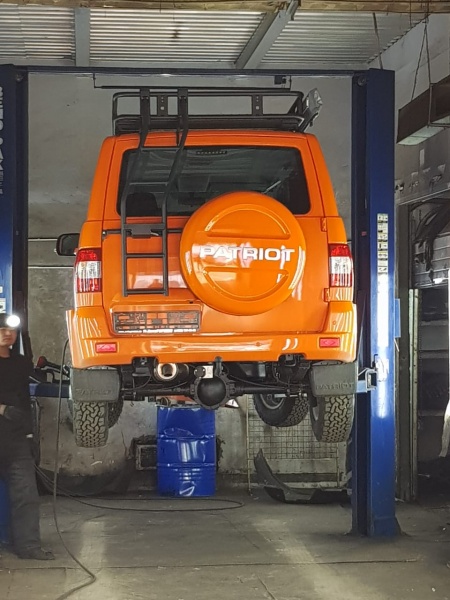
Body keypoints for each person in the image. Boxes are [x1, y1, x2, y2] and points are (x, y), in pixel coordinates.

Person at [0, 313, 54, 560]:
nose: (6, 334)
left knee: (26, 494)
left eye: (10, 329)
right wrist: (2, 409)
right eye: (1, 329)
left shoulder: (20, 364)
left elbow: (24, 400)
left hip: (16, 440)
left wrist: (30, 435)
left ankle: (29, 546)